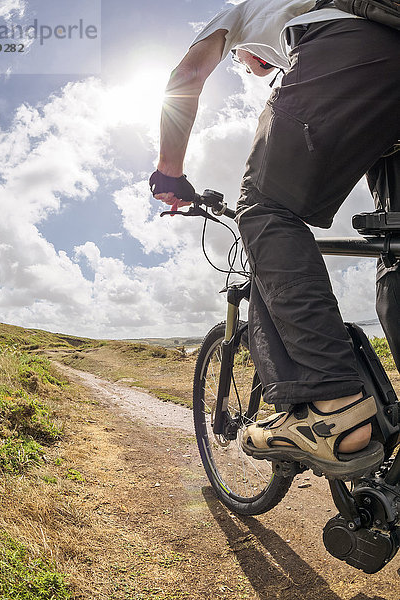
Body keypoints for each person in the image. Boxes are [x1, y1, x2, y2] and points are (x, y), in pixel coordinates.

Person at [150, 0, 400, 478]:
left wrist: (170, 171)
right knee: (392, 247)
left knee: (265, 209)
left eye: (244, 61)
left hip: (357, 49)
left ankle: (335, 408)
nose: (252, 67)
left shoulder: (243, 11)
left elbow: (187, 75)